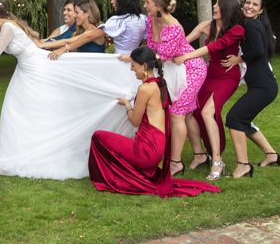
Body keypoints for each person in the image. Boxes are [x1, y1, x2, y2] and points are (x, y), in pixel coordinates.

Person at [0, 0, 140, 180]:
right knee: (15, 113)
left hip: (37, 70)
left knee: (33, 114)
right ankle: (14, 157)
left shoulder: (8, 27)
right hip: (24, 72)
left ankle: (37, 156)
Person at [88, 46, 220, 197]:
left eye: (133, 66)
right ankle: (124, 174)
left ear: (144, 66)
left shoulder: (145, 88)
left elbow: (135, 121)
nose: (131, 69)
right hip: (157, 147)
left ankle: (110, 178)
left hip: (146, 150)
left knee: (98, 136)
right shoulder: (159, 83)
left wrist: (126, 105)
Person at [173, 0, 245, 180]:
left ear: (227, 8)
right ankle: (201, 154)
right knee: (194, 112)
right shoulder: (207, 25)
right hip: (209, 74)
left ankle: (218, 160)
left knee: (207, 113)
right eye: (214, 3)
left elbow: (214, 47)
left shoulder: (236, 30)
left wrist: (186, 57)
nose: (214, 6)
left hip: (228, 76)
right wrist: (165, 52)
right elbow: (185, 40)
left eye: (218, 4)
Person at [144, 0, 207, 176]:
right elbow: (151, 47)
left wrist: (136, 58)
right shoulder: (150, 19)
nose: (145, 5)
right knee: (186, 115)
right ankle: (200, 154)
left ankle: (176, 162)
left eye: (148, 2)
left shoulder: (174, 27)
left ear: (158, 5)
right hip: (173, 70)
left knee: (177, 114)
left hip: (190, 69)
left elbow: (161, 56)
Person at [222, 0, 280, 178]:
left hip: (264, 88)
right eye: (247, 3)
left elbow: (257, 51)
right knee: (242, 119)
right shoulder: (254, 24)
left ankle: (243, 165)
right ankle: (271, 155)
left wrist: (239, 59)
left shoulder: (253, 25)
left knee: (234, 118)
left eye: (255, 5)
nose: (249, 6)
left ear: (260, 10)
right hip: (263, 86)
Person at [40, 0, 107, 57]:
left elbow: (68, 41)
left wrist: (41, 45)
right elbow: (76, 49)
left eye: (77, 12)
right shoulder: (81, 31)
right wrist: (54, 45)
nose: (75, 15)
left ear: (87, 14)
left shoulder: (93, 31)